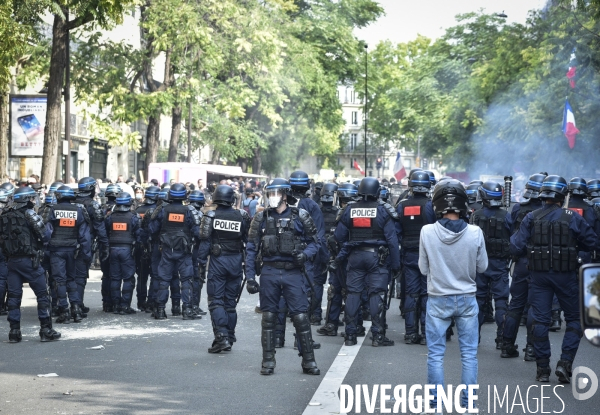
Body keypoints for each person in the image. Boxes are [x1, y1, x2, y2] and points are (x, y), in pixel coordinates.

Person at [510, 175, 598, 383]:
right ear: (562, 195)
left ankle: (542, 370)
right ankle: (565, 363)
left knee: (540, 320)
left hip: (539, 278)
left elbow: (515, 246)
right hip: (566, 276)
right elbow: (592, 243)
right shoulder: (573, 217)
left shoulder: (531, 217)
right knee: (575, 319)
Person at [419, 179, 487, 412]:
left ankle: (436, 405)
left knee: (435, 355)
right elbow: (483, 267)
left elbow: (423, 268)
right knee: (469, 355)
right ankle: (468, 405)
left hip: (438, 298)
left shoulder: (427, 231)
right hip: (467, 299)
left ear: (436, 204)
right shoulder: (476, 232)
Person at [244, 178, 321, 375]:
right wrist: (251, 277)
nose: (272, 197)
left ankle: (309, 361)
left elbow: (315, 243)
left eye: (276, 193)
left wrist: (304, 255)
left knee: (301, 317)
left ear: (285, 195)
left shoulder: (300, 215)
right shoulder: (260, 218)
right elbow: (251, 248)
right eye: (270, 194)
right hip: (269, 271)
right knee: (269, 317)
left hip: (293, 272)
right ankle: (268, 361)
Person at [334, 177, 400, 347]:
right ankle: (378, 336)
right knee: (376, 294)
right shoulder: (384, 210)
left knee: (353, 293)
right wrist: (396, 265)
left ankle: (350, 334)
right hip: (377, 258)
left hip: (354, 257)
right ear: (377, 192)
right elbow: (392, 240)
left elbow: (338, 236)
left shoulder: (349, 209)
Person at [0, 186, 61, 342]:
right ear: (27, 199)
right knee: (42, 295)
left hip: (12, 262)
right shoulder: (30, 214)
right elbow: (45, 235)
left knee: (14, 297)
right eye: (33, 198)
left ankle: (14, 332)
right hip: (30, 261)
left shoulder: (5, 216)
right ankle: (46, 330)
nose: (34, 201)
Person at [198, 185, 250, 352]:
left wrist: (200, 263)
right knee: (230, 303)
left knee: (216, 301)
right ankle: (229, 335)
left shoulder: (211, 216)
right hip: (236, 263)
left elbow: (205, 242)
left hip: (218, 262)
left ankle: (221, 337)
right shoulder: (242, 215)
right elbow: (249, 241)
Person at [501, 173, 546, 360]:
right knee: (535, 307)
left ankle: (507, 346)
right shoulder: (549, 211)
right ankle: (531, 349)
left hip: (521, 262)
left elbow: (513, 236)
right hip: (541, 264)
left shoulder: (518, 208)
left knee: (515, 305)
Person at [149, 183, 201, 320]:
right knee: (186, 280)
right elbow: (198, 232)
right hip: (184, 251)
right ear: (184, 195)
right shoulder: (189, 210)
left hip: (166, 250)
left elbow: (152, 229)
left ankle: (160, 310)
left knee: (164, 280)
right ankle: (187, 310)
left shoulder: (162, 209)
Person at [469, 180, 512, 348]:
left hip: (480, 264)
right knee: (501, 300)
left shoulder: (475, 215)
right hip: (499, 264)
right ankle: (502, 339)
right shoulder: (506, 215)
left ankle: (474, 338)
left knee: (478, 300)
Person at [396, 170, 437, 345]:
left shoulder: (402, 205)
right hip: (428, 256)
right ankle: (427, 334)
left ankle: (410, 333)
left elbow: (396, 232)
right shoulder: (432, 205)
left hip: (409, 254)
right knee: (426, 295)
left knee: (411, 294)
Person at [46, 186, 92, 323]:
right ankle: (76, 310)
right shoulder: (78, 211)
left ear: (58, 196)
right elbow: (85, 236)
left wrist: (44, 247)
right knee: (72, 279)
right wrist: (86, 253)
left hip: (56, 250)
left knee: (59, 281)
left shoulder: (53, 210)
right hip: (72, 251)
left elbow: (47, 232)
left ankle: (64, 311)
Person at [105, 192, 142, 314]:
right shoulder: (133, 217)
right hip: (127, 250)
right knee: (128, 279)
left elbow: (105, 232)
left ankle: (115, 305)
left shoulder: (110, 217)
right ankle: (125, 306)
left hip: (112, 249)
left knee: (115, 278)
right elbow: (139, 235)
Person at [134, 185, 160, 311]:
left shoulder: (138, 209)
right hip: (154, 246)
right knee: (155, 275)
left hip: (140, 246)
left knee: (141, 276)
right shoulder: (157, 210)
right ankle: (151, 302)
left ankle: (141, 302)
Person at [188, 190, 208, 316]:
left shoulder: (184, 210)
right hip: (195, 249)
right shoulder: (198, 214)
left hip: (182, 248)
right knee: (197, 277)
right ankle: (193, 305)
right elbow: (199, 234)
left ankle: (183, 306)